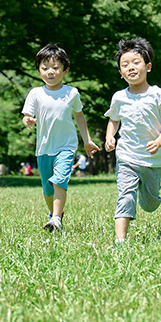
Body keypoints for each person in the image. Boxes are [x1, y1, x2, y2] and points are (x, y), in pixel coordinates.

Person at [105, 38, 161, 246]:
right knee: (125, 195)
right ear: (120, 72)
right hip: (127, 156)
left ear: (148, 66)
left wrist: (159, 141)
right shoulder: (119, 97)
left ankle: (150, 197)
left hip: (153, 160)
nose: (130, 68)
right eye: (124, 65)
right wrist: (110, 136)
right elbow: (114, 120)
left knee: (150, 203)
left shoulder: (158, 95)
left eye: (135, 62)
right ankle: (120, 241)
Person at [22, 44, 100, 233]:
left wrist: (87, 140)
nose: (50, 72)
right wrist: (28, 120)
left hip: (66, 146)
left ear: (65, 70)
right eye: (45, 67)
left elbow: (79, 116)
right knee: (47, 190)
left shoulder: (71, 93)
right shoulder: (36, 93)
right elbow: (26, 115)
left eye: (55, 67)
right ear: (39, 70)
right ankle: (55, 213)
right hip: (44, 148)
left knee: (59, 180)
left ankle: (56, 220)